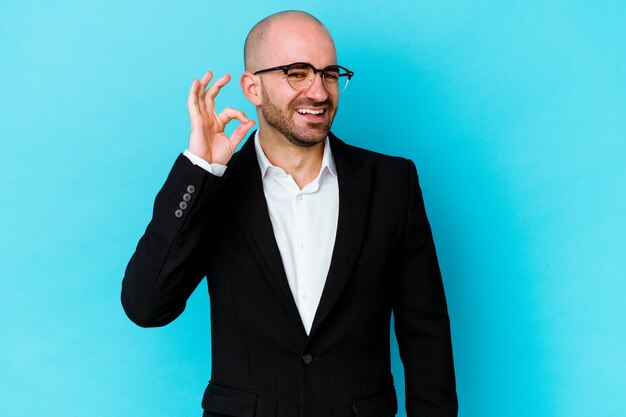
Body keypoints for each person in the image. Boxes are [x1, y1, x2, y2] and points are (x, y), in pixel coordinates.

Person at [122, 10, 457, 417]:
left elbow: (426, 337)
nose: (318, 92)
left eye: (329, 74)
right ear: (253, 88)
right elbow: (146, 306)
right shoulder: (214, 187)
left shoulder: (392, 183)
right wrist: (201, 168)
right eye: (297, 73)